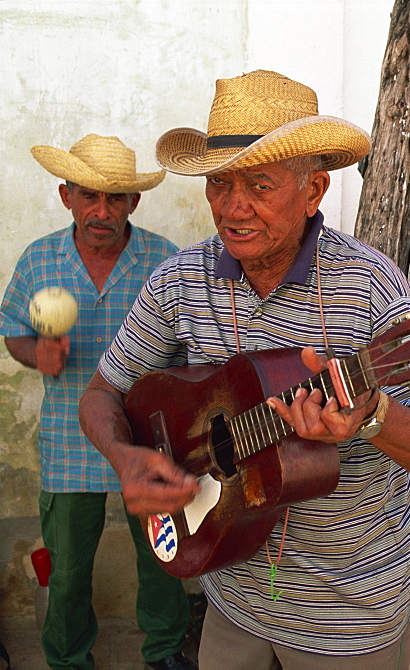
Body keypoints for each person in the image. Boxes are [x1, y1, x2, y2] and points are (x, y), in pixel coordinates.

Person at [77, 70, 410, 668]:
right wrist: (126, 457)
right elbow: (102, 393)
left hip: (350, 613)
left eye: (259, 185)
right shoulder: (182, 281)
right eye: (218, 183)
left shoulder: (370, 287)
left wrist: (373, 417)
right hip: (229, 591)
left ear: (314, 190)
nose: (233, 208)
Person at [0, 134, 193, 669]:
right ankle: (66, 658)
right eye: (89, 196)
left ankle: (165, 651)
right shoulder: (40, 260)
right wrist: (35, 353)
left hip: (150, 440)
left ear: (135, 202)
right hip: (68, 441)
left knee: (163, 558)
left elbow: (190, 349)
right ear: (67, 197)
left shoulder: (165, 260)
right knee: (66, 571)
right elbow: (12, 329)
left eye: (114, 199)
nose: (101, 211)